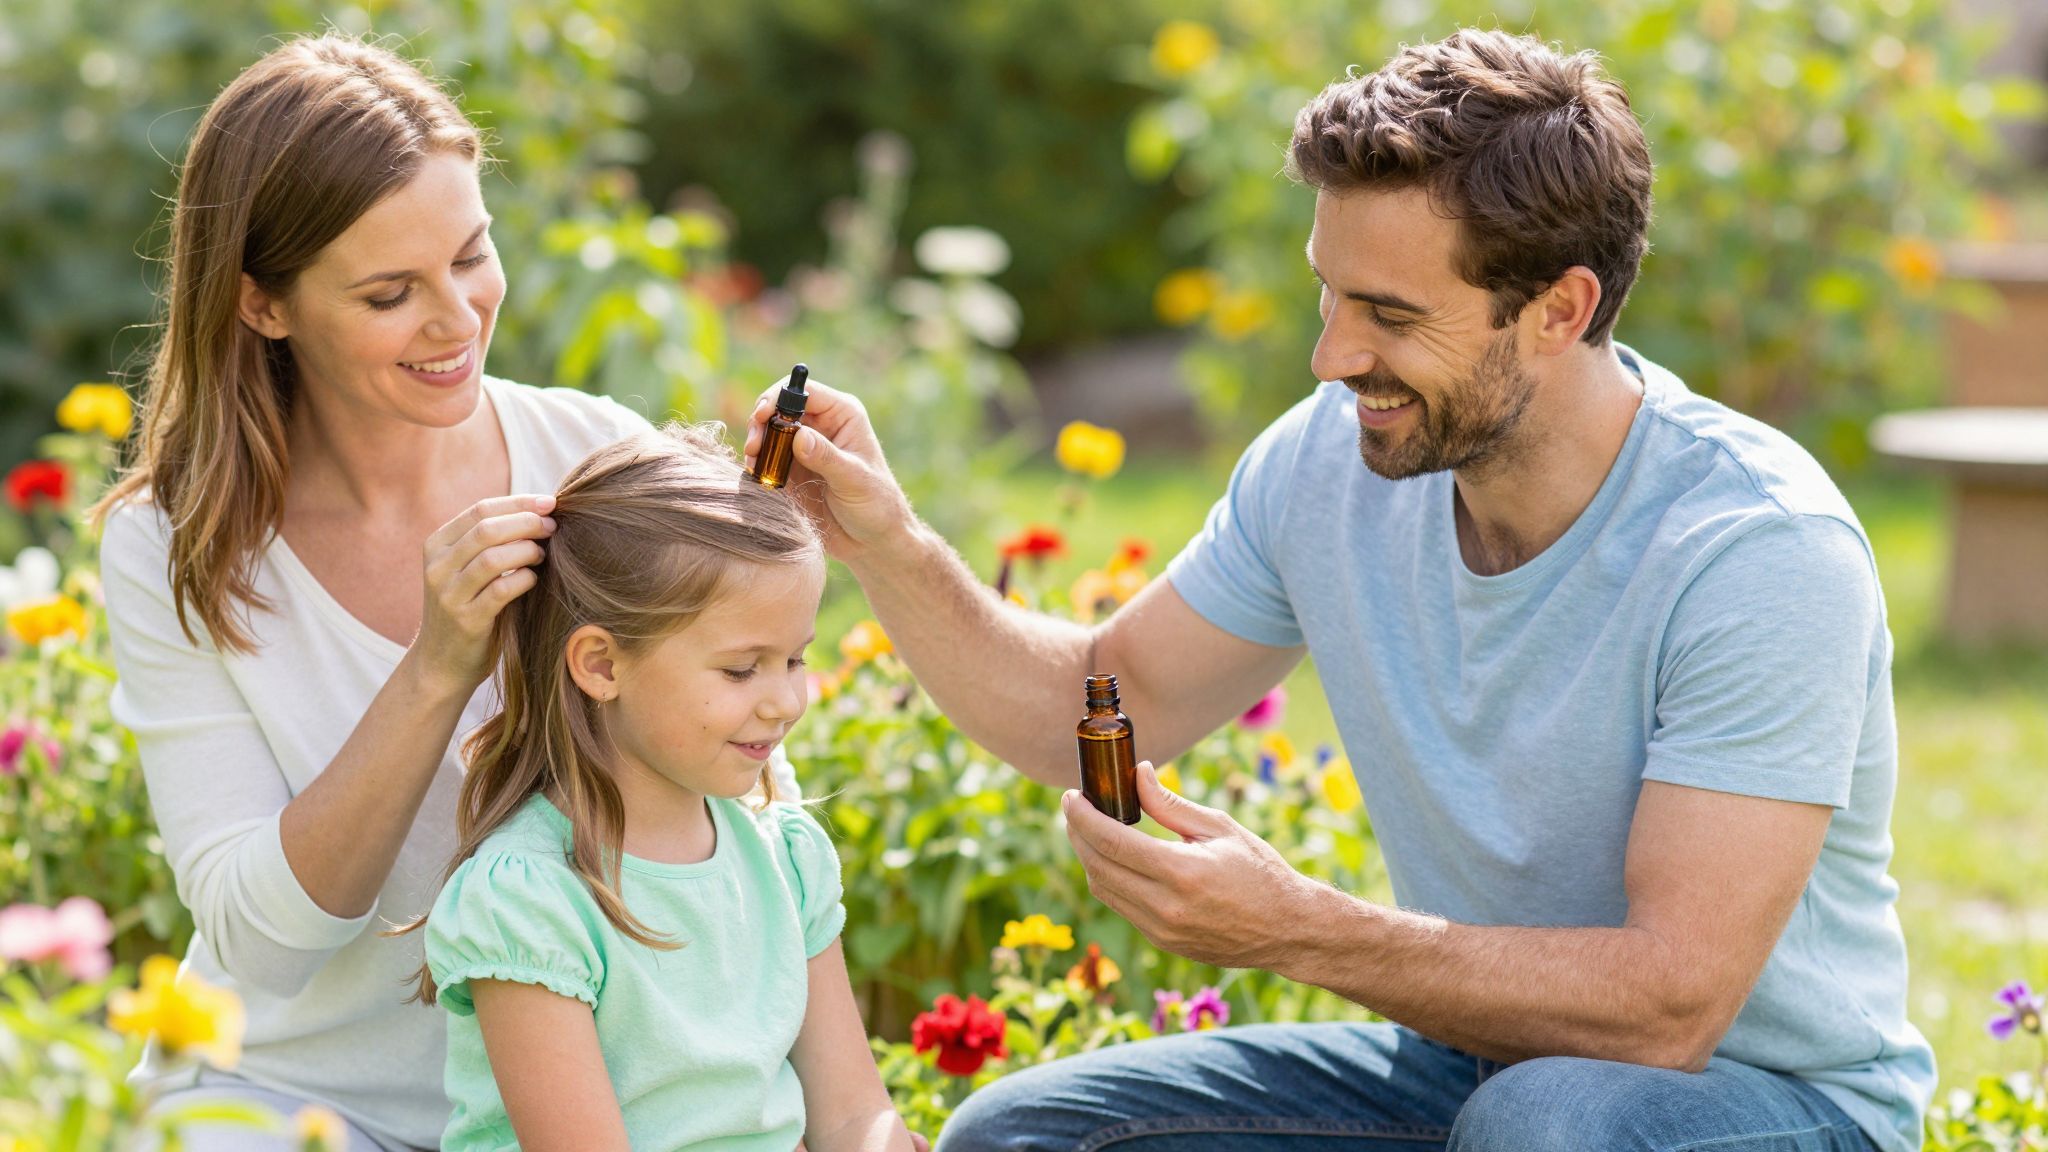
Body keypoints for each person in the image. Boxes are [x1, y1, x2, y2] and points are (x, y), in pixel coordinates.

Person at [745, 28, 1933, 1152]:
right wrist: (888, 543)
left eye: (1389, 316)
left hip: (1763, 1103)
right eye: (1330, 294)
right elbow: (1094, 706)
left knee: (1545, 1123)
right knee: (1028, 1136)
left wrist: (1296, 928)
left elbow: (1668, 1008)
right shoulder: (1329, 459)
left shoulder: (1754, 551)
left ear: (1558, 311)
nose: (1332, 357)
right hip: (1472, 1068)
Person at [94, 34, 792, 1150]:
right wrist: (434, 670)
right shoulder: (176, 544)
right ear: (263, 305)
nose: (458, 319)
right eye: (389, 293)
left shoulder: (588, 456)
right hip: (294, 1105)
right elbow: (263, 946)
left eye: (471, 255)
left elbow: (757, 819)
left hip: (597, 1110)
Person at [390, 426, 912, 1152]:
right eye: (741, 670)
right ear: (602, 665)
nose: (786, 701)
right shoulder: (531, 900)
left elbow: (853, 1112)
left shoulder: (784, 860)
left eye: (795, 659)